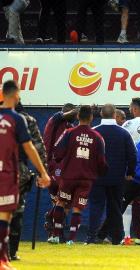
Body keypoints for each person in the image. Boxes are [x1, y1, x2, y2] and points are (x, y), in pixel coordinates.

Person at [0, 80, 50, 269]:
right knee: (11, 213)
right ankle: (8, 254)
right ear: (16, 96)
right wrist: (42, 172)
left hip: (11, 171)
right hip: (12, 172)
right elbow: (34, 147)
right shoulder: (22, 119)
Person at [48, 105, 108, 245]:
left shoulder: (69, 133)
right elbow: (101, 161)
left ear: (77, 116)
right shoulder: (97, 137)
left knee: (61, 202)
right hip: (86, 179)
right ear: (91, 118)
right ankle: (71, 239)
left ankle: (56, 235)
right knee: (77, 208)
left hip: (68, 176)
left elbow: (57, 154)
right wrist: (100, 172)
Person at [85, 104, 136, 245]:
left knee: (96, 206)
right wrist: (130, 172)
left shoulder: (94, 132)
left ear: (101, 114)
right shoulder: (124, 133)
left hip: (97, 177)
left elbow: (87, 155)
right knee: (115, 208)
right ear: (114, 115)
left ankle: (91, 237)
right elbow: (132, 155)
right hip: (117, 177)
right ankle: (117, 238)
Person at [9, 102, 47, 261]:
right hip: (18, 171)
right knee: (16, 211)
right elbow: (38, 147)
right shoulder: (27, 120)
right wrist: (42, 172)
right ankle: (11, 251)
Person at [43, 103, 77, 240]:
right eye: (73, 115)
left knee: (63, 202)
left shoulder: (71, 128)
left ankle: (53, 225)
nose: (75, 118)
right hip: (52, 164)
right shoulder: (55, 120)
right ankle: (55, 231)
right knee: (62, 200)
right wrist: (80, 110)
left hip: (64, 167)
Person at [121, 98, 140, 245]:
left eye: (129, 108)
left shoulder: (129, 124)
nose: (129, 110)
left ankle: (126, 236)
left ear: (134, 109)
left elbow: (122, 144)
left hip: (131, 168)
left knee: (127, 201)